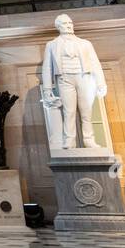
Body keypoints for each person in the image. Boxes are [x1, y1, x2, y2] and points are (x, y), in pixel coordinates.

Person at [41, 14, 106, 150]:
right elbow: (47, 67)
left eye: (70, 23)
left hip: (84, 78)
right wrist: (47, 89)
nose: (69, 25)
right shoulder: (52, 45)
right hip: (64, 79)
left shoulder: (85, 43)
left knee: (86, 111)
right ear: (58, 27)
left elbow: (95, 63)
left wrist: (101, 83)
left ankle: (89, 140)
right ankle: (69, 141)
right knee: (68, 111)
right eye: (65, 24)